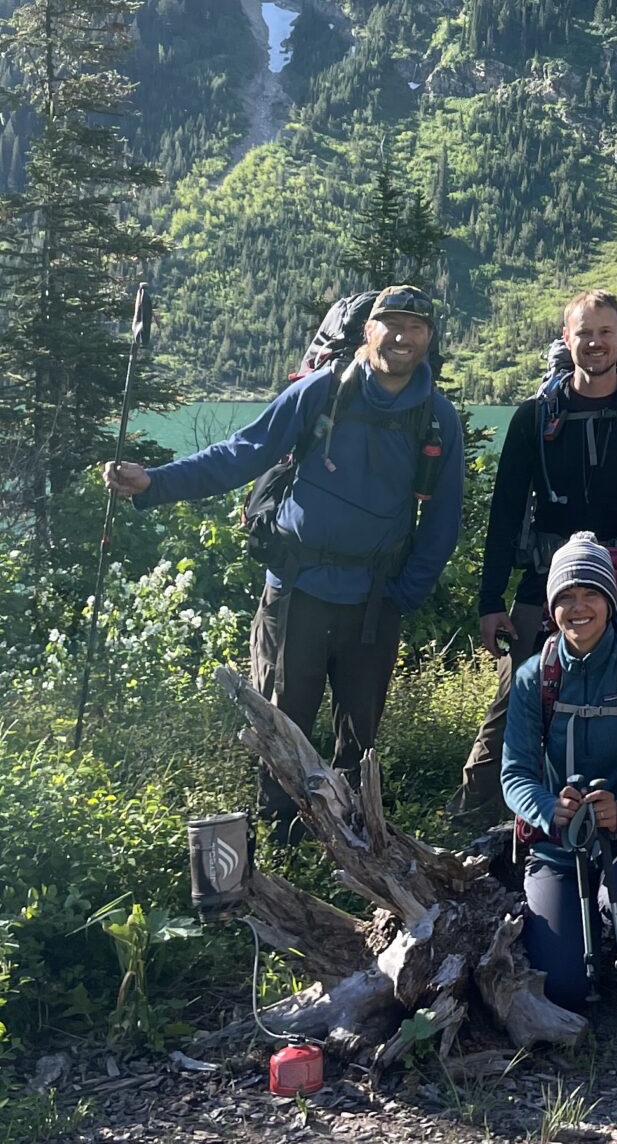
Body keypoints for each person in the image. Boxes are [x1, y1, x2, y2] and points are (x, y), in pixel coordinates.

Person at [105, 285, 462, 827]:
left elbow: (443, 518)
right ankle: (281, 838)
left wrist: (403, 596)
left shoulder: (436, 417)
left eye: (414, 327)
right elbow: (241, 452)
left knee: (359, 737)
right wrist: (154, 482)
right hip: (296, 591)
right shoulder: (322, 392)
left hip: (373, 601)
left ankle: (354, 843)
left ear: (428, 338)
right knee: (281, 726)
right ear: (368, 330)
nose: (400, 336)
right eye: (389, 323)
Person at [458, 290, 617, 815]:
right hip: (546, 583)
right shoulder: (535, 419)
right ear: (567, 340)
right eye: (583, 333)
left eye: (605, 332)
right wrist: (490, 598)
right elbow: (505, 511)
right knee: (517, 696)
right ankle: (480, 811)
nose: (594, 343)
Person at [501, 533, 617, 1010]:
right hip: (558, 845)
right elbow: (515, 773)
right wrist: (548, 809)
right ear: (550, 608)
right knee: (563, 990)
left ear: (609, 599)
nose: (578, 608)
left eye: (590, 595)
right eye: (565, 598)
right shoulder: (533, 678)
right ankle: (582, 939)